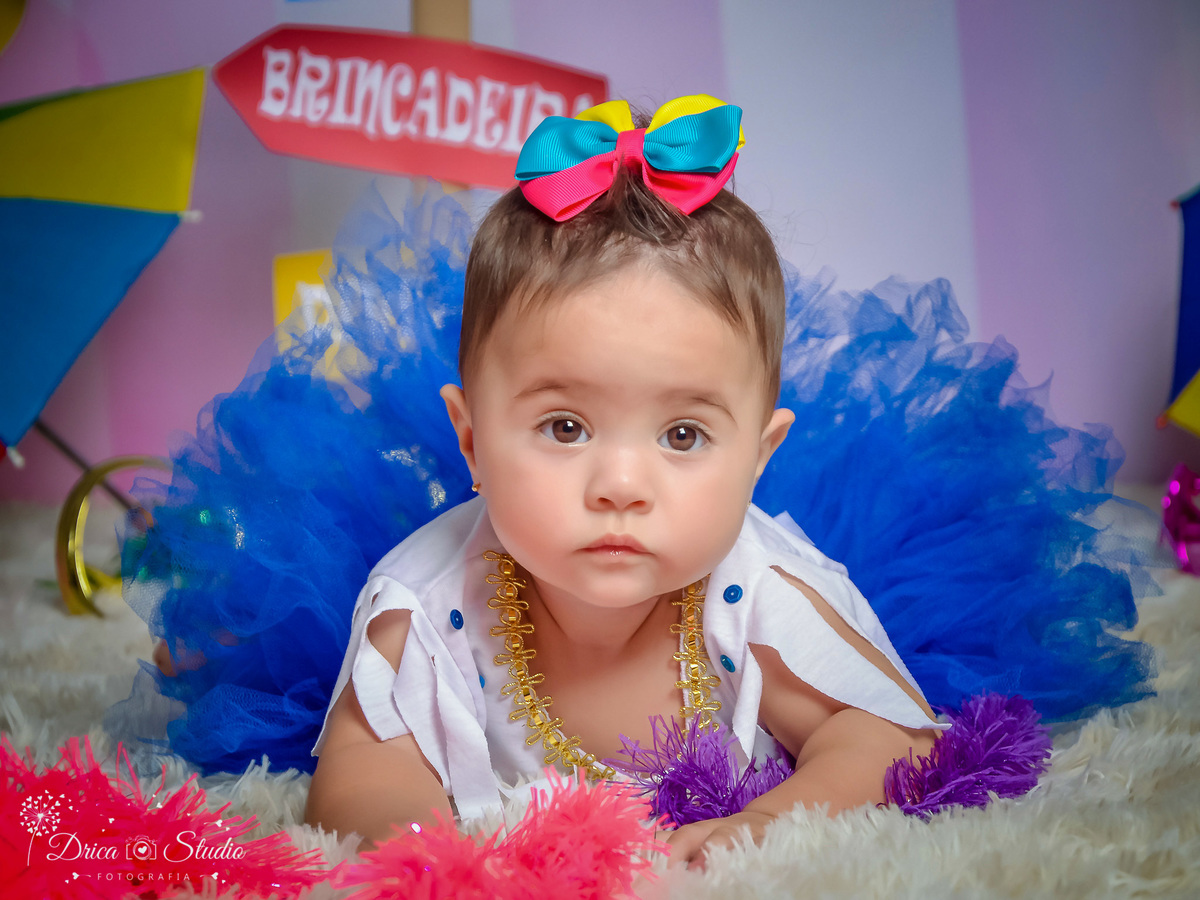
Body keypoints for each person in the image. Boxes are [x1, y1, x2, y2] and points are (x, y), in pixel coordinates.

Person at [303, 95, 940, 867]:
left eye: (683, 435)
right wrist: (444, 863)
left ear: (759, 457)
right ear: (470, 440)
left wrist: (770, 824)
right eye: (565, 427)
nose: (621, 484)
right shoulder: (425, 607)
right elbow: (362, 773)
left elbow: (887, 738)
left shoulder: (758, 598)